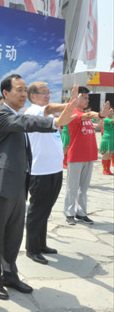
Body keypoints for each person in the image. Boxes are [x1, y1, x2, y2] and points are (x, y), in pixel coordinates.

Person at [0, 74, 77, 300]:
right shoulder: (3, 115)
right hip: (1, 185)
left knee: (14, 234)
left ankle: (9, 274)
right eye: (19, 90)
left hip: (17, 184)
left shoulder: (16, 113)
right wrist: (55, 122)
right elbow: (26, 124)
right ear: (6, 94)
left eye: (25, 90)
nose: (24, 94)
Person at [24, 82, 79, 264]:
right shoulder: (33, 111)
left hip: (54, 170)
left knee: (45, 211)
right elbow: (47, 107)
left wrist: (70, 106)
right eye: (43, 93)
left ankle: (41, 244)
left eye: (48, 92)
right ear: (33, 96)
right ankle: (32, 249)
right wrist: (69, 103)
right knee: (37, 211)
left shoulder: (47, 115)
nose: (47, 96)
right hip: (40, 172)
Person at [63, 87, 110, 225]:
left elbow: (91, 122)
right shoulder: (73, 113)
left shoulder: (84, 113)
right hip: (76, 156)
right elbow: (88, 116)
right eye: (84, 97)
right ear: (75, 98)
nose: (87, 100)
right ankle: (69, 213)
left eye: (87, 98)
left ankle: (81, 213)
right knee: (72, 187)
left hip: (89, 156)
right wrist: (100, 114)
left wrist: (101, 117)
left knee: (83, 188)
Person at [99, 108, 114, 175]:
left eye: (112, 111)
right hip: (106, 138)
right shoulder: (106, 119)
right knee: (106, 154)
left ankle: (108, 169)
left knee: (110, 155)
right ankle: (104, 169)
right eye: (110, 111)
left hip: (112, 139)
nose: (112, 112)